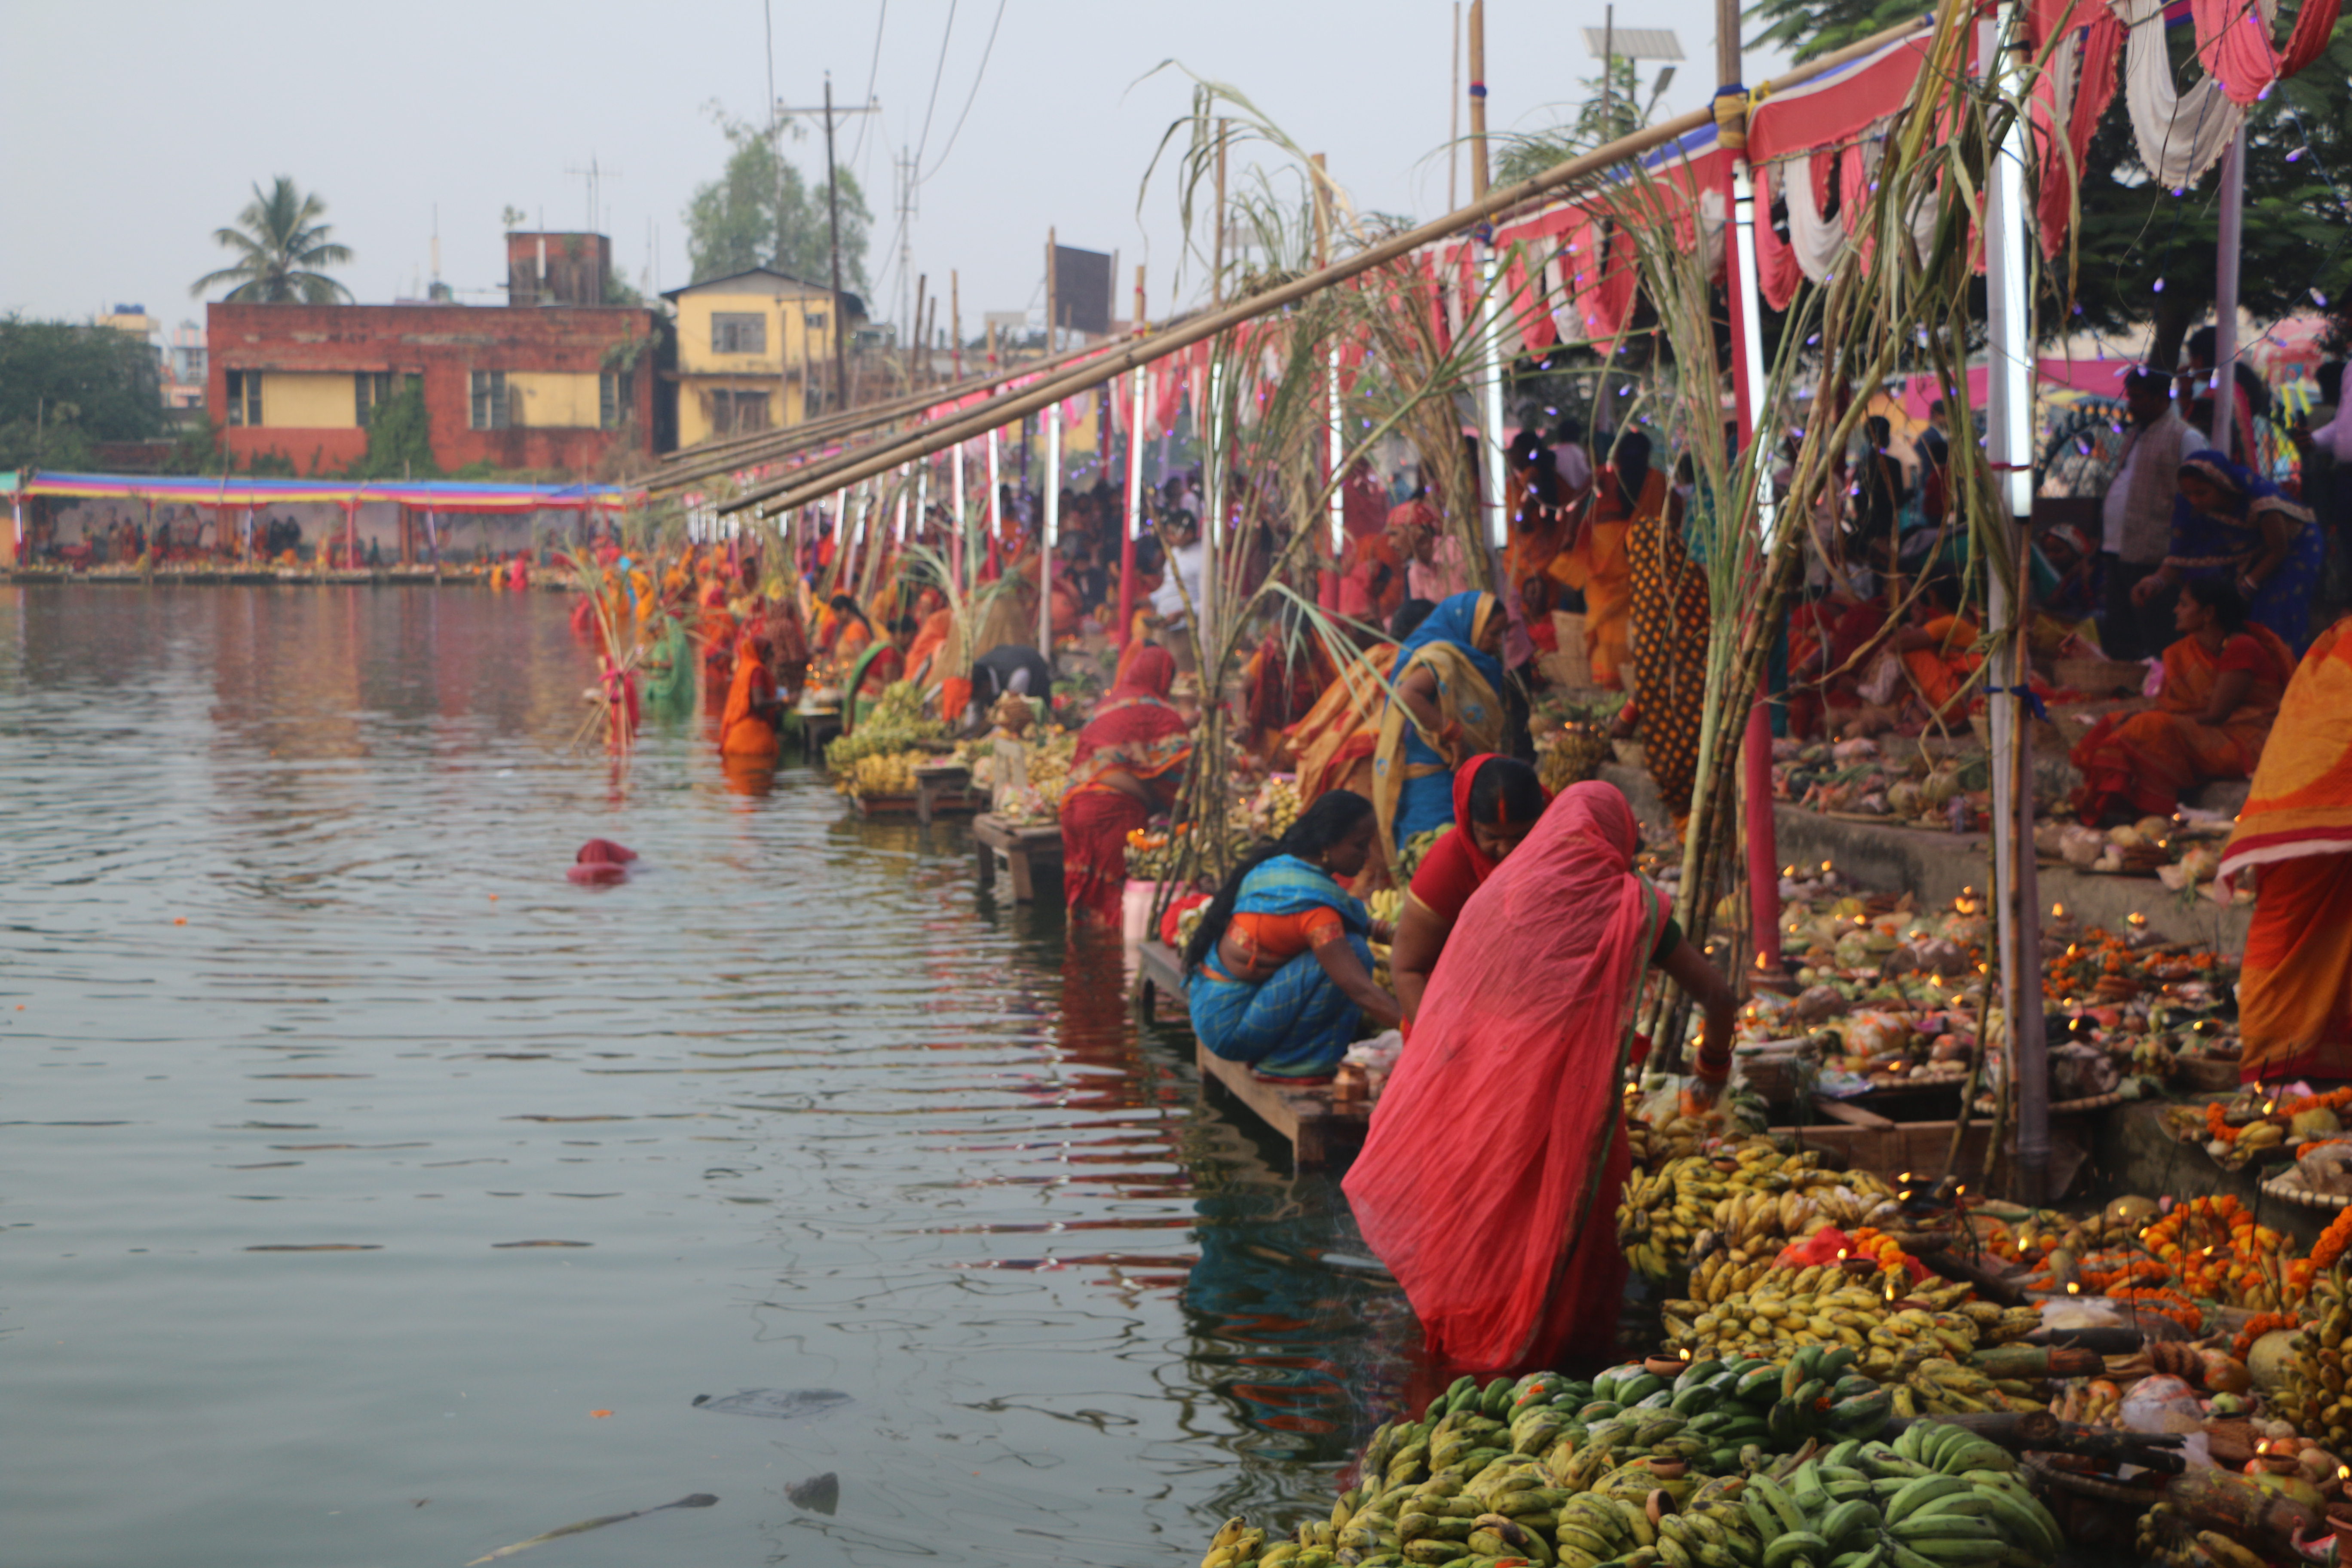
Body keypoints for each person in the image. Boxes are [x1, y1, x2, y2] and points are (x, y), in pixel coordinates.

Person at [1343, 782, 1739, 1372]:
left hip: (1483, 1102)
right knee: (1578, 1248)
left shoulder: (1502, 896)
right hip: (1581, 1113)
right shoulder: (1638, 906)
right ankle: (1563, 1371)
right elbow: (1720, 995)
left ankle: (1471, 1362)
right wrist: (1710, 1072)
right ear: (1622, 837)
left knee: (1481, 1233)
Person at [1183, 790, 1400, 1081]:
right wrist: (1425, 1032)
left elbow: (1351, 917)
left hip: (1211, 1008)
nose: (1367, 856)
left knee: (1349, 949)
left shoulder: (1281, 868)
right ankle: (1289, 1064)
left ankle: (1285, 1054)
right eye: (1360, 846)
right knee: (1356, 955)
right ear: (1327, 845)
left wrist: (1399, 935)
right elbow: (1361, 990)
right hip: (1231, 1029)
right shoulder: (1314, 910)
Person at [2219, 612, 2352, 1082]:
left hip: (2308, 809)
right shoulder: (2339, 643)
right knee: (2290, 931)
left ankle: (2309, 1062)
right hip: (2315, 810)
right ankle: (2274, 1061)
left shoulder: (2334, 639)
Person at [2071, 577, 2293, 823]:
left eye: (2184, 604)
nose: (2176, 610)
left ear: (2209, 613)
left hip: (2243, 738)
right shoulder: (2190, 649)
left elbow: (2215, 715)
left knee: (2149, 727)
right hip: (2206, 730)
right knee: (2115, 721)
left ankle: (2150, 813)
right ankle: (2108, 804)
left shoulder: (2241, 647)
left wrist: (2155, 717)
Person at [1389, 755, 1547, 1023]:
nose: (1506, 851)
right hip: (1454, 1021)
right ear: (1467, 820)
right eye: (1491, 837)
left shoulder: (1559, 844)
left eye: (1520, 837)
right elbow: (1406, 969)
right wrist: (1440, 1048)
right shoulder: (1448, 866)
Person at [1058, 645, 1193, 926]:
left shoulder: (1110, 704)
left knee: (1085, 899)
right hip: (1112, 811)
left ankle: (1083, 961)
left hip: (1074, 808)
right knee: (1112, 901)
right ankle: (1113, 963)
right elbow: (1182, 770)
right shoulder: (1160, 714)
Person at [2138, 453, 2324, 651]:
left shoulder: (2260, 501)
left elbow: (2278, 551)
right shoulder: (2189, 507)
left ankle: (2285, 671)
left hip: (2293, 550)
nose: (2194, 500)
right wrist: (2154, 582)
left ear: (2222, 487)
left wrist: (2245, 587)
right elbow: (2181, 555)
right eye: (2188, 494)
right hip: (2252, 555)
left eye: (2201, 493)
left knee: (2275, 613)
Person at [1371, 591, 1508, 853]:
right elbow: (1407, 696)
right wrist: (1453, 733)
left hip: (1450, 780)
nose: (1497, 643)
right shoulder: (1442, 658)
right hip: (1432, 785)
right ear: (1469, 625)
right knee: (1432, 859)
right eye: (1492, 633)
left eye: (1502, 634)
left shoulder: (1463, 660)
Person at [1626, 451, 1713, 828]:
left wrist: (1630, 713)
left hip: (1671, 707)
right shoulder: (1692, 577)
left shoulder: (1648, 596)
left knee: (1680, 774)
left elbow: (1650, 669)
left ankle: (1688, 838)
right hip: (1703, 699)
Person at [2097, 369, 2202, 659]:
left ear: (2160, 398)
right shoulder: (2134, 435)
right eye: (2130, 397)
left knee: (2158, 632)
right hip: (2118, 549)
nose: (2131, 405)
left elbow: (2197, 499)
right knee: (2121, 631)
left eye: (2138, 398)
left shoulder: (2184, 437)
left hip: (2154, 553)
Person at [1556, 430, 1663, 688]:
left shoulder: (1604, 476)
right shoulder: (1657, 481)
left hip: (1603, 552)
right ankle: (1635, 682)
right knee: (1637, 622)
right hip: (1642, 558)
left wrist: (1570, 537)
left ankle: (1607, 683)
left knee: (1603, 624)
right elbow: (1671, 517)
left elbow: (1576, 501)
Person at [1147, 509, 1206, 673]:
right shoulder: (1174, 552)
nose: (1169, 537)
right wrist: (1150, 600)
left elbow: (1209, 602)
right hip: (1163, 627)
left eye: (1173, 533)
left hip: (1186, 631)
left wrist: (1182, 613)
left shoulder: (1204, 558)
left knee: (1183, 678)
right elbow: (1169, 587)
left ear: (1189, 533)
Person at [718, 628, 784, 769]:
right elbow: (759, 702)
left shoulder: (745, 667)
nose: (774, 657)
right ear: (763, 654)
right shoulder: (757, 670)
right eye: (771, 653)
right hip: (752, 740)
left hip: (736, 737)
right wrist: (783, 701)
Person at [1386, 500, 1473, 604]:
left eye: (1394, 534)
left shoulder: (1456, 550)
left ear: (1417, 533)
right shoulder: (1415, 573)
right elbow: (1423, 615)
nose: (1390, 543)